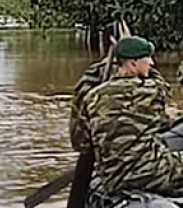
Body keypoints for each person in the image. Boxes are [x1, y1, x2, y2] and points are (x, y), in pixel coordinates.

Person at [83, 36, 183, 199]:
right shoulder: (151, 90)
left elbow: (82, 142)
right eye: (147, 58)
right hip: (147, 172)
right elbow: (163, 88)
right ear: (133, 63)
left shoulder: (92, 96)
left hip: (112, 179)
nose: (152, 63)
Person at [68, 20, 165, 152]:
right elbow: (162, 93)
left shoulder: (90, 80)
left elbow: (80, 135)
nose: (151, 62)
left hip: (97, 150)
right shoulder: (145, 86)